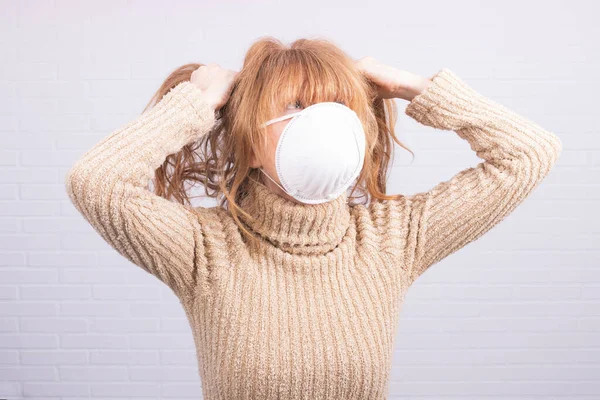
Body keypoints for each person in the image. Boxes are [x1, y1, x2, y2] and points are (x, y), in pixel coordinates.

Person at [65, 37, 562, 399]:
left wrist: (411, 86)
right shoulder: (204, 249)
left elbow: (530, 154)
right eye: (298, 106)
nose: (322, 122)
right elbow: (95, 181)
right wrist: (195, 104)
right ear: (250, 140)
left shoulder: (391, 238)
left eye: (339, 105)